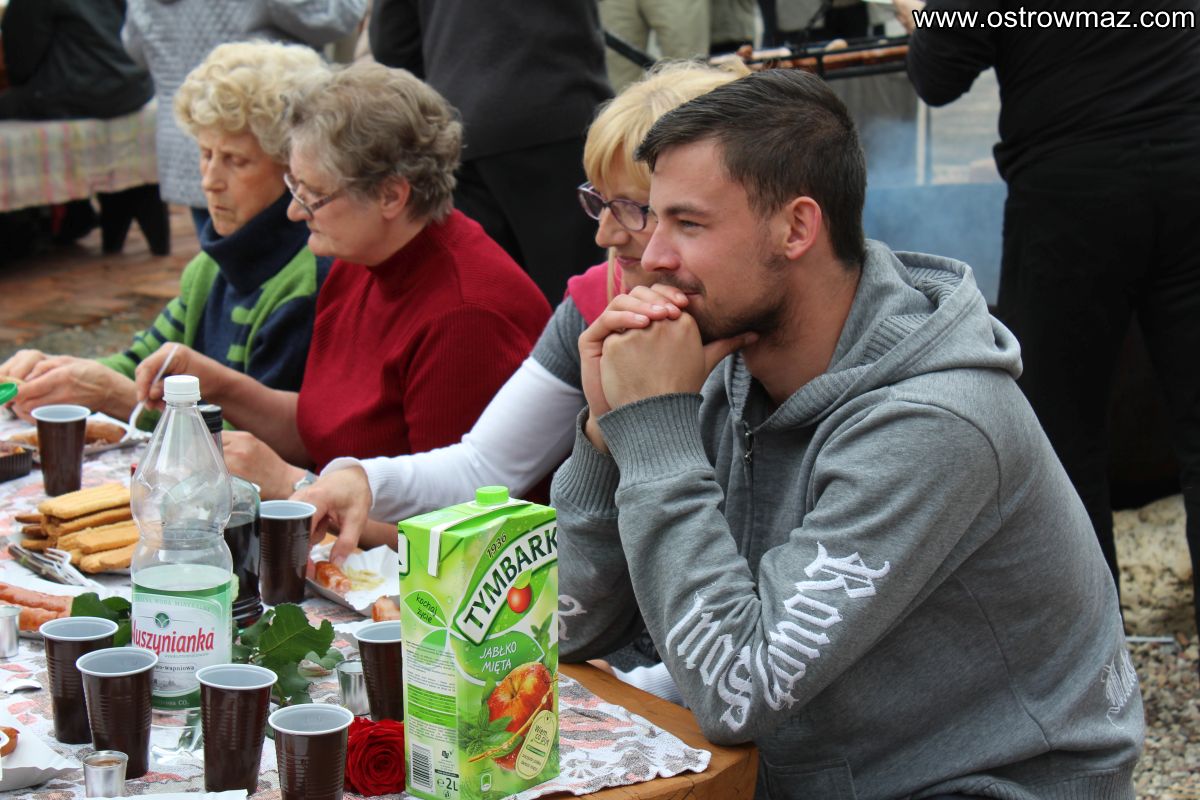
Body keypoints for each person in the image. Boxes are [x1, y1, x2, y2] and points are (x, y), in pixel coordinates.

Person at [552, 69, 1143, 797]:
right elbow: (564, 630)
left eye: (688, 224)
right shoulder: (715, 359)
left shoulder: (934, 423)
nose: (653, 256)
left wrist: (655, 433)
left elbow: (739, 692)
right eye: (655, 219)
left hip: (983, 784)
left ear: (797, 228)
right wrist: (607, 435)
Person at [295, 61, 744, 578]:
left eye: (632, 208)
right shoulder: (597, 301)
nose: (604, 234)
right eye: (600, 202)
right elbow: (488, 466)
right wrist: (364, 480)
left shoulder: (763, 326)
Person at [902, 0, 1200, 636]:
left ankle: (1092, 661)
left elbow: (938, 75)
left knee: (1062, 439)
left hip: (1073, 193)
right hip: (1187, 159)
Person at [133, 62, 551, 508]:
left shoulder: (467, 315)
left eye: (313, 194)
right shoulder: (362, 257)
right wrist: (219, 386)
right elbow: (326, 430)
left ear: (392, 195)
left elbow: (454, 523)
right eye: (294, 186)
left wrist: (292, 486)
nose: (295, 211)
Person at [0, 41, 332, 426]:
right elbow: (141, 364)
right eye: (206, 154)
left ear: (294, 171)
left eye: (236, 161)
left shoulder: (307, 282)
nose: (210, 181)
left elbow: (255, 441)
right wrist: (52, 374)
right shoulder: (211, 265)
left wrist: (109, 394)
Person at [369, 0, 610, 301]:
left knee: (486, 293)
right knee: (576, 295)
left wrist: (452, 87)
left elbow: (392, 41)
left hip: (463, 125)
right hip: (554, 112)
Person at [122, 0, 366, 234]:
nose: (209, 182)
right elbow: (335, 16)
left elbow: (134, 47)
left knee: (227, 245)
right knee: (229, 248)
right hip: (247, 131)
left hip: (200, 138)